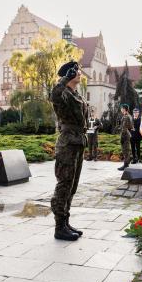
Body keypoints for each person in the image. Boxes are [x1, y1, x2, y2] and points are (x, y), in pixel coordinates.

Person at [50, 61, 88, 241]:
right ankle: (59, 227)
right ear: (69, 75)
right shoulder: (62, 93)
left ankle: (65, 222)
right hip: (67, 144)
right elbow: (55, 93)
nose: (80, 74)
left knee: (72, 186)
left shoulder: (75, 94)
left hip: (78, 142)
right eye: (76, 72)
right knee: (64, 184)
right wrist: (65, 79)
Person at [118, 104, 133, 171]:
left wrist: (122, 137)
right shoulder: (128, 116)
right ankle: (126, 163)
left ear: (124, 109)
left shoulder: (126, 117)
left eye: (121, 108)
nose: (121, 110)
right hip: (127, 134)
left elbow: (124, 127)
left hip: (125, 135)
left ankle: (126, 164)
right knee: (126, 150)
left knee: (125, 150)